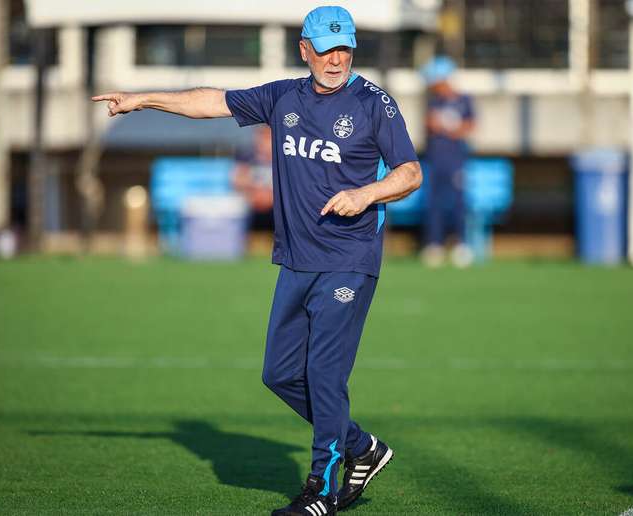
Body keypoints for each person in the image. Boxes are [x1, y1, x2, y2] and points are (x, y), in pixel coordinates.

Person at [92, 6, 422, 515]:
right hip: (296, 259)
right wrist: (142, 99)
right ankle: (362, 447)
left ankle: (321, 490)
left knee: (324, 374)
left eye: (345, 49)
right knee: (280, 374)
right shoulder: (283, 96)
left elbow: (410, 172)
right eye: (326, 49)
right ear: (304, 50)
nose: (336, 60)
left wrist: (366, 194)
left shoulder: (374, 103)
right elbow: (212, 101)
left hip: (349, 258)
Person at [420, 56, 475, 268]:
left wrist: (452, 127)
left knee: (459, 202)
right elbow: (429, 124)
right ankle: (435, 245)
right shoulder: (433, 101)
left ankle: (461, 244)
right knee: (434, 203)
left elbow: (470, 125)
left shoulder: (464, 100)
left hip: (456, 160)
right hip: (435, 159)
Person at [232, 124, 275, 230]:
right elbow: (237, 182)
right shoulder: (246, 156)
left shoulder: (285, 158)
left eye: (268, 137)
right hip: (253, 204)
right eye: (262, 136)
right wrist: (253, 192)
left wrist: (271, 196)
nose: (264, 141)